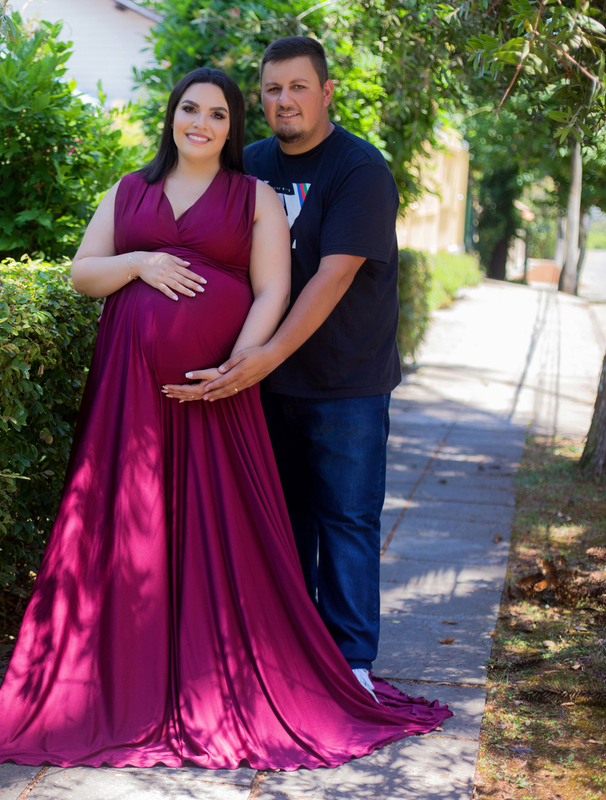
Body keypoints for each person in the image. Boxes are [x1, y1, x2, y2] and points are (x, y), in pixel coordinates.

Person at [0, 67, 450, 770]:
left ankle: (264, 665)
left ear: (231, 127)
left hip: (220, 392)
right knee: (133, 523)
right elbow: (83, 272)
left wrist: (238, 367)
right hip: (130, 396)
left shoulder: (255, 196)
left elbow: (274, 286)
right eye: (191, 109)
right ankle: (121, 672)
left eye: (218, 114)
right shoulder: (130, 189)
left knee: (238, 528)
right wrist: (140, 262)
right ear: (171, 115)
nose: (202, 124)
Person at [167, 37, 402, 701]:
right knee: (278, 519)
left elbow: (330, 279)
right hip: (262, 384)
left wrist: (264, 353)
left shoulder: (360, 170)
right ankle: (289, 651)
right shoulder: (250, 165)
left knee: (347, 521)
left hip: (344, 383)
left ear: (327, 92)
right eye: (272, 90)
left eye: (299, 87)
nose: (284, 100)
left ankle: (353, 662)